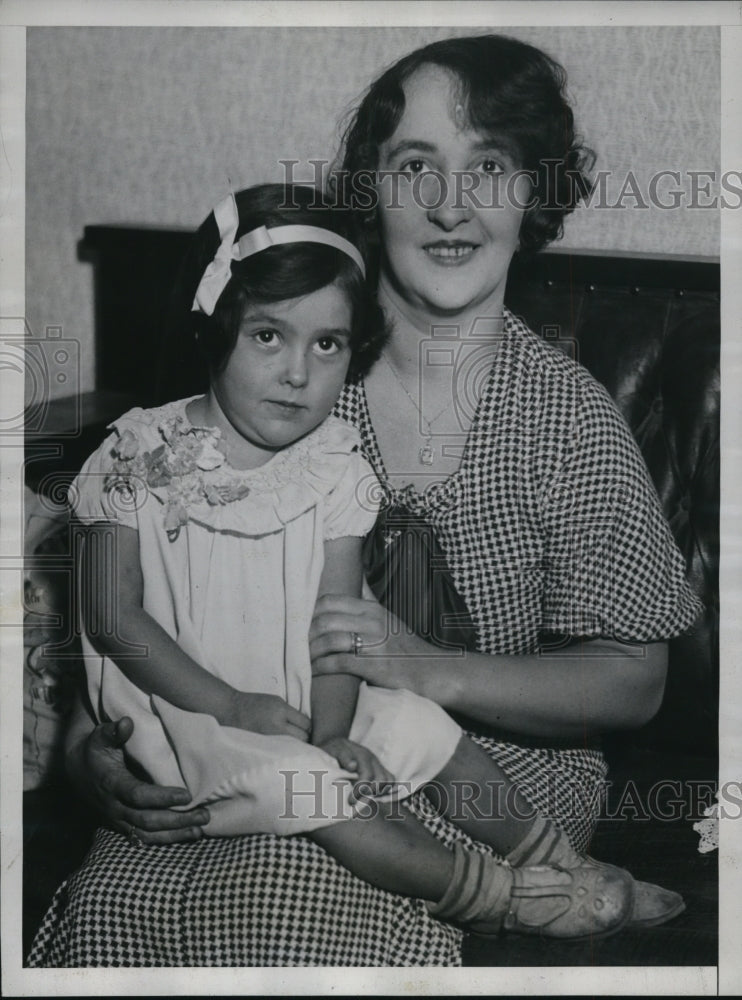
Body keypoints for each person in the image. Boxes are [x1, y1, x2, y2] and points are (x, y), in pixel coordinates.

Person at [28, 34, 702, 968]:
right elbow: (140, 585)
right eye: (415, 166)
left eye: (490, 167)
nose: (451, 205)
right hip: (243, 723)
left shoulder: (569, 419)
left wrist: (422, 666)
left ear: (534, 194)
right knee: (125, 903)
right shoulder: (285, 370)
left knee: (295, 878)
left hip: (490, 774)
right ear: (371, 190)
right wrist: (85, 752)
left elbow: (637, 678)